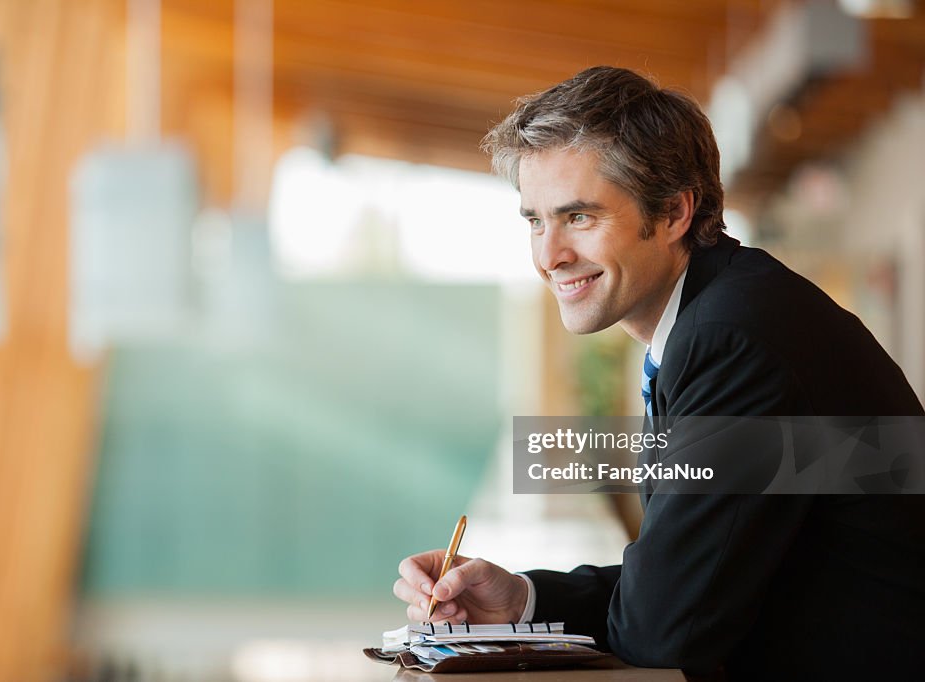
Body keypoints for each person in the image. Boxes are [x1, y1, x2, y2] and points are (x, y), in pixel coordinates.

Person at [392, 66, 925, 680]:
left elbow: (667, 628)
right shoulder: (721, 317)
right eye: (535, 221)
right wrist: (523, 600)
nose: (548, 255)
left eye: (580, 218)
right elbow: (691, 570)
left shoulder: (732, 340)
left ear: (674, 212)